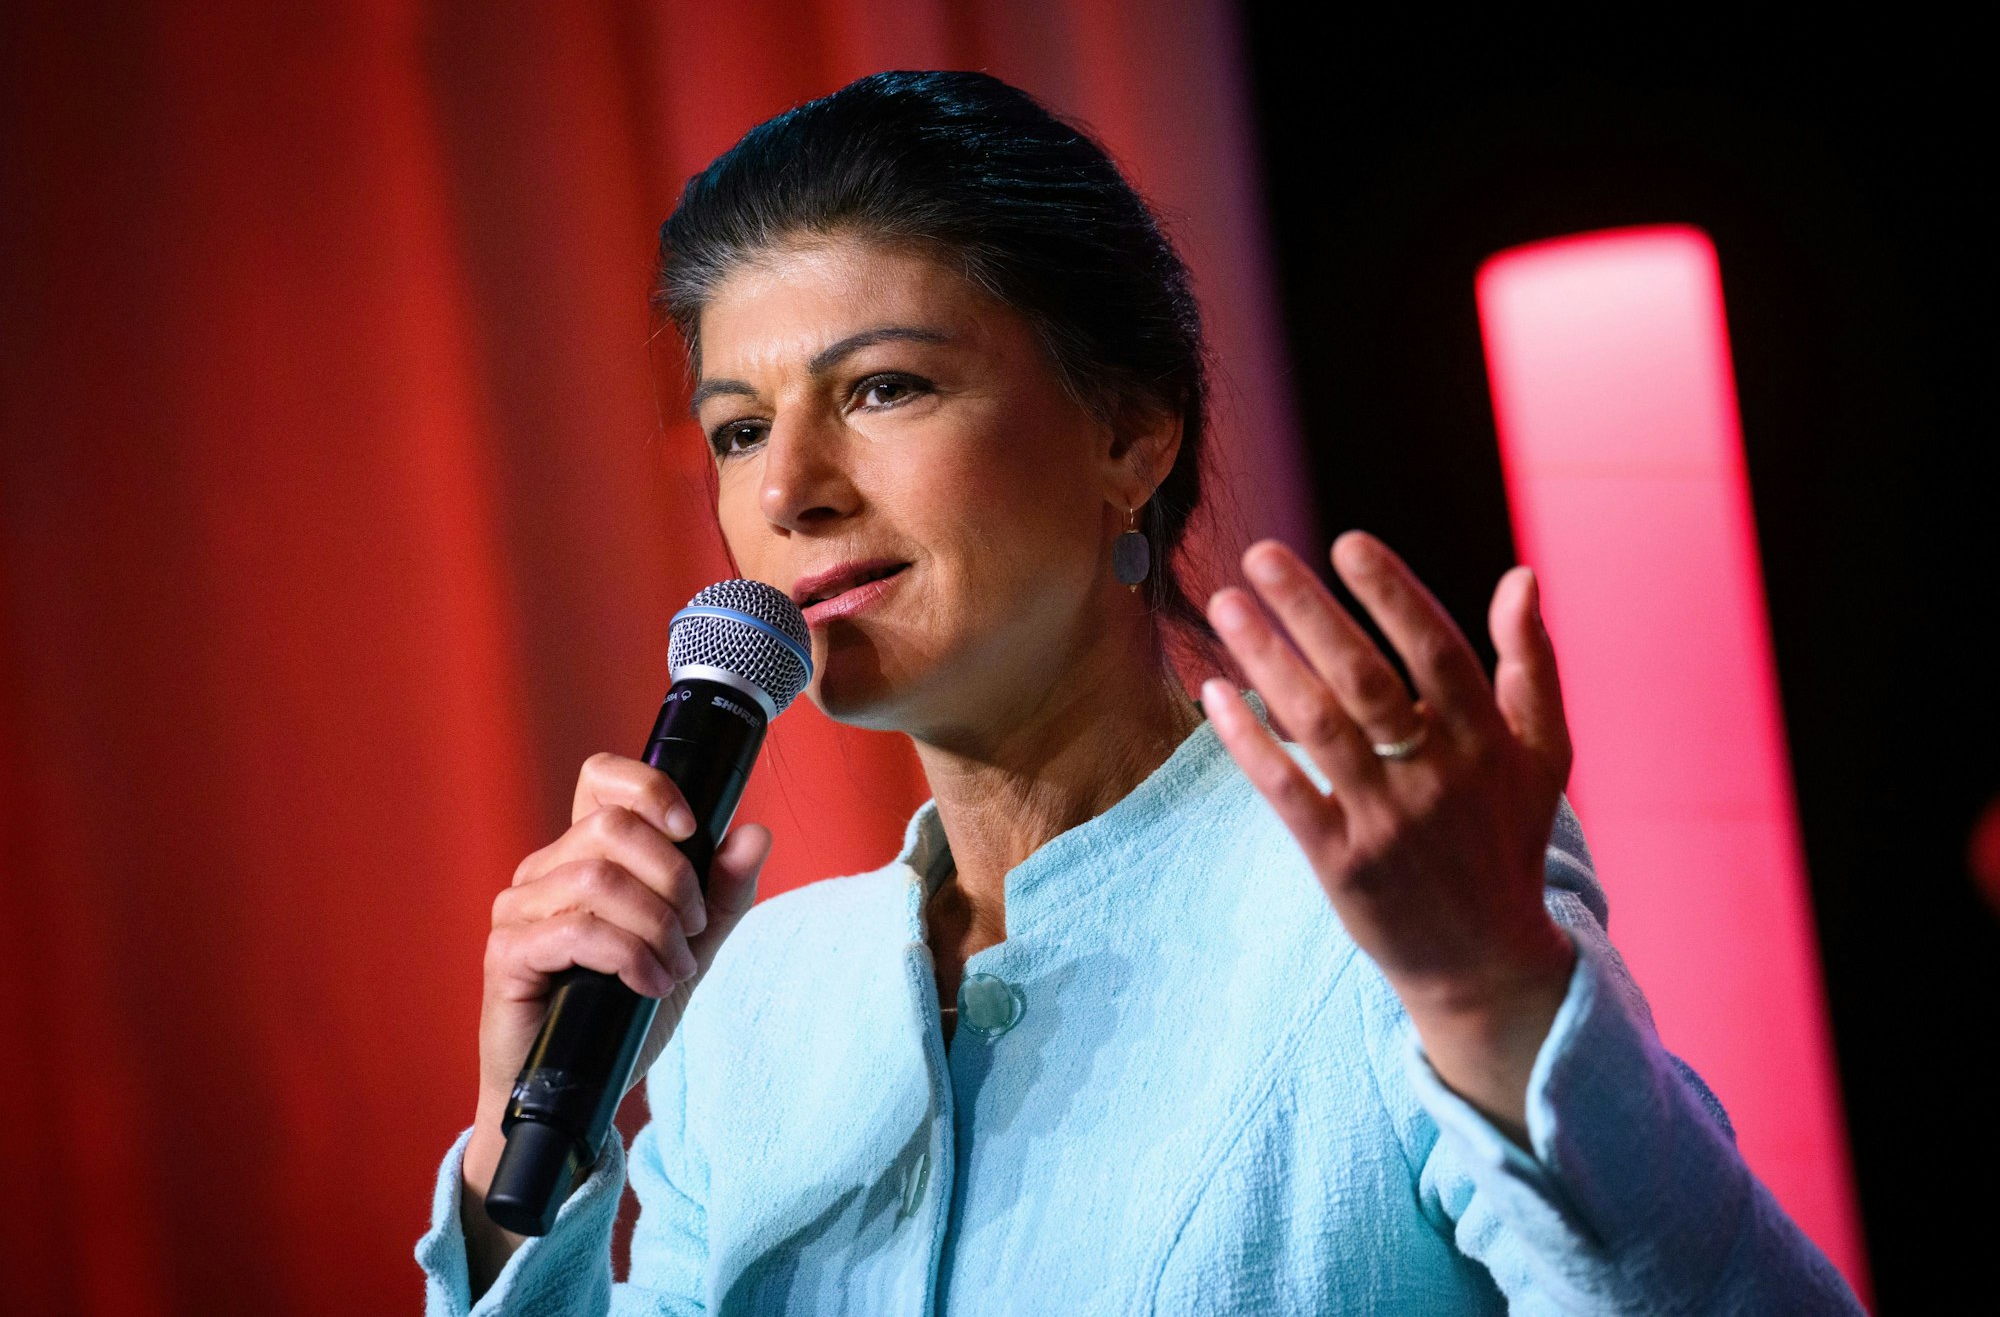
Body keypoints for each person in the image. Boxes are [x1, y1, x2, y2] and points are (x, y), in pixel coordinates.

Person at [415, 70, 1863, 1314]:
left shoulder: (1382, 888)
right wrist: (516, 1147)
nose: (788, 489)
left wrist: (1494, 999)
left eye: (882, 390)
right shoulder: (750, 1011)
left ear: (1132, 429)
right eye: (737, 430)